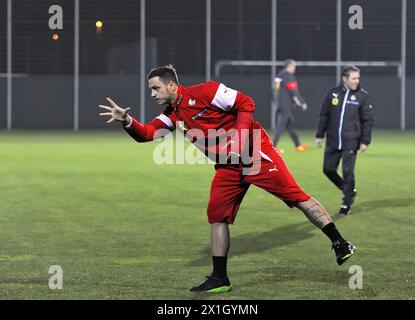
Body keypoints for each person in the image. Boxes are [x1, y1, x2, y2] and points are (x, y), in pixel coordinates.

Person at [99, 65, 355, 293]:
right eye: (151, 90)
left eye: (156, 88)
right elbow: (147, 134)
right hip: (228, 166)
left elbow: (246, 103)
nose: (153, 94)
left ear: (171, 85)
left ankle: (339, 242)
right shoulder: (174, 114)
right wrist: (127, 120)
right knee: (216, 215)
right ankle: (220, 277)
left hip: (255, 153)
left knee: (296, 197)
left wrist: (240, 141)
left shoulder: (206, 91)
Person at [316, 65, 374, 215]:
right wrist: (320, 135)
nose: (357, 81)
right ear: (344, 79)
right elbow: (324, 115)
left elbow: (368, 121)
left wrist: (365, 141)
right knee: (328, 170)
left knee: (348, 171)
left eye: (358, 78)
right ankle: (348, 189)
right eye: (353, 78)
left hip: (351, 141)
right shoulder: (333, 93)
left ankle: (347, 202)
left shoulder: (363, 96)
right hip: (333, 140)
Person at [272, 59, 309, 153]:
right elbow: (294, 92)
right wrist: (302, 103)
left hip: (280, 104)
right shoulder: (289, 77)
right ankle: (271, 148)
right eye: (294, 67)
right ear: (289, 66)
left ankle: (298, 146)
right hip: (285, 105)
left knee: (290, 126)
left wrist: (276, 101)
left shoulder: (279, 75)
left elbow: (275, 89)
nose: (295, 69)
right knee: (280, 127)